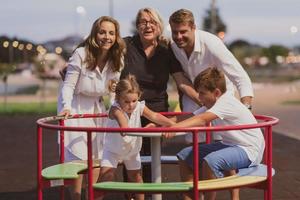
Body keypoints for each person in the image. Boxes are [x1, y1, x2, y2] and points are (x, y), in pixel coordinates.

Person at [120, 7, 200, 184]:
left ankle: (150, 193)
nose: (148, 26)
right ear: (137, 26)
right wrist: (73, 61)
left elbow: (181, 81)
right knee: (130, 158)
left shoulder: (166, 51)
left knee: (149, 158)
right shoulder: (126, 45)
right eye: (143, 22)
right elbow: (96, 43)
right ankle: (132, 196)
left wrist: (203, 101)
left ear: (159, 26)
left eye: (152, 22)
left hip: (156, 112)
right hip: (130, 110)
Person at [164, 67, 265, 200]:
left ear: (216, 92)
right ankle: (191, 197)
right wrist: (161, 123)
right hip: (230, 145)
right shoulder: (211, 104)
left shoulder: (225, 102)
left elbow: (201, 120)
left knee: (211, 161)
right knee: (184, 156)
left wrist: (175, 128)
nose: (199, 97)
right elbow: (189, 117)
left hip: (249, 150)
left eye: (202, 93)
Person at [58, 16, 126, 200]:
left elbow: (113, 92)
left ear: (116, 36)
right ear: (95, 34)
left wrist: (115, 110)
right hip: (75, 104)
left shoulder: (116, 59)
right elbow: (68, 86)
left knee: (97, 156)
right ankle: (77, 196)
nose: (107, 37)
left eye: (111, 33)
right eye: (102, 32)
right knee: (78, 157)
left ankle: (93, 196)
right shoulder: (81, 54)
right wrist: (66, 108)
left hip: (97, 106)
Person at [169, 8, 254, 144]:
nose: (179, 36)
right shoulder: (174, 46)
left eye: (183, 31)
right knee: (193, 140)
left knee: (221, 140)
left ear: (194, 28)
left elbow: (240, 76)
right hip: (193, 96)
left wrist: (247, 108)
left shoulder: (212, 44)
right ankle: (197, 163)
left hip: (218, 96)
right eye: (175, 32)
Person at [97, 75, 175, 200]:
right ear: (118, 98)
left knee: (137, 178)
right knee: (106, 176)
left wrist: (173, 125)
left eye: (134, 101)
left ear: (138, 96)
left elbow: (154, 116)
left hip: (132, 150)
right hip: (113, 150)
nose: (131, 105)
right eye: (126, 102)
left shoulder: (139, 106)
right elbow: (125, 129)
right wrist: (145, 130)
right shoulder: (116, 109)